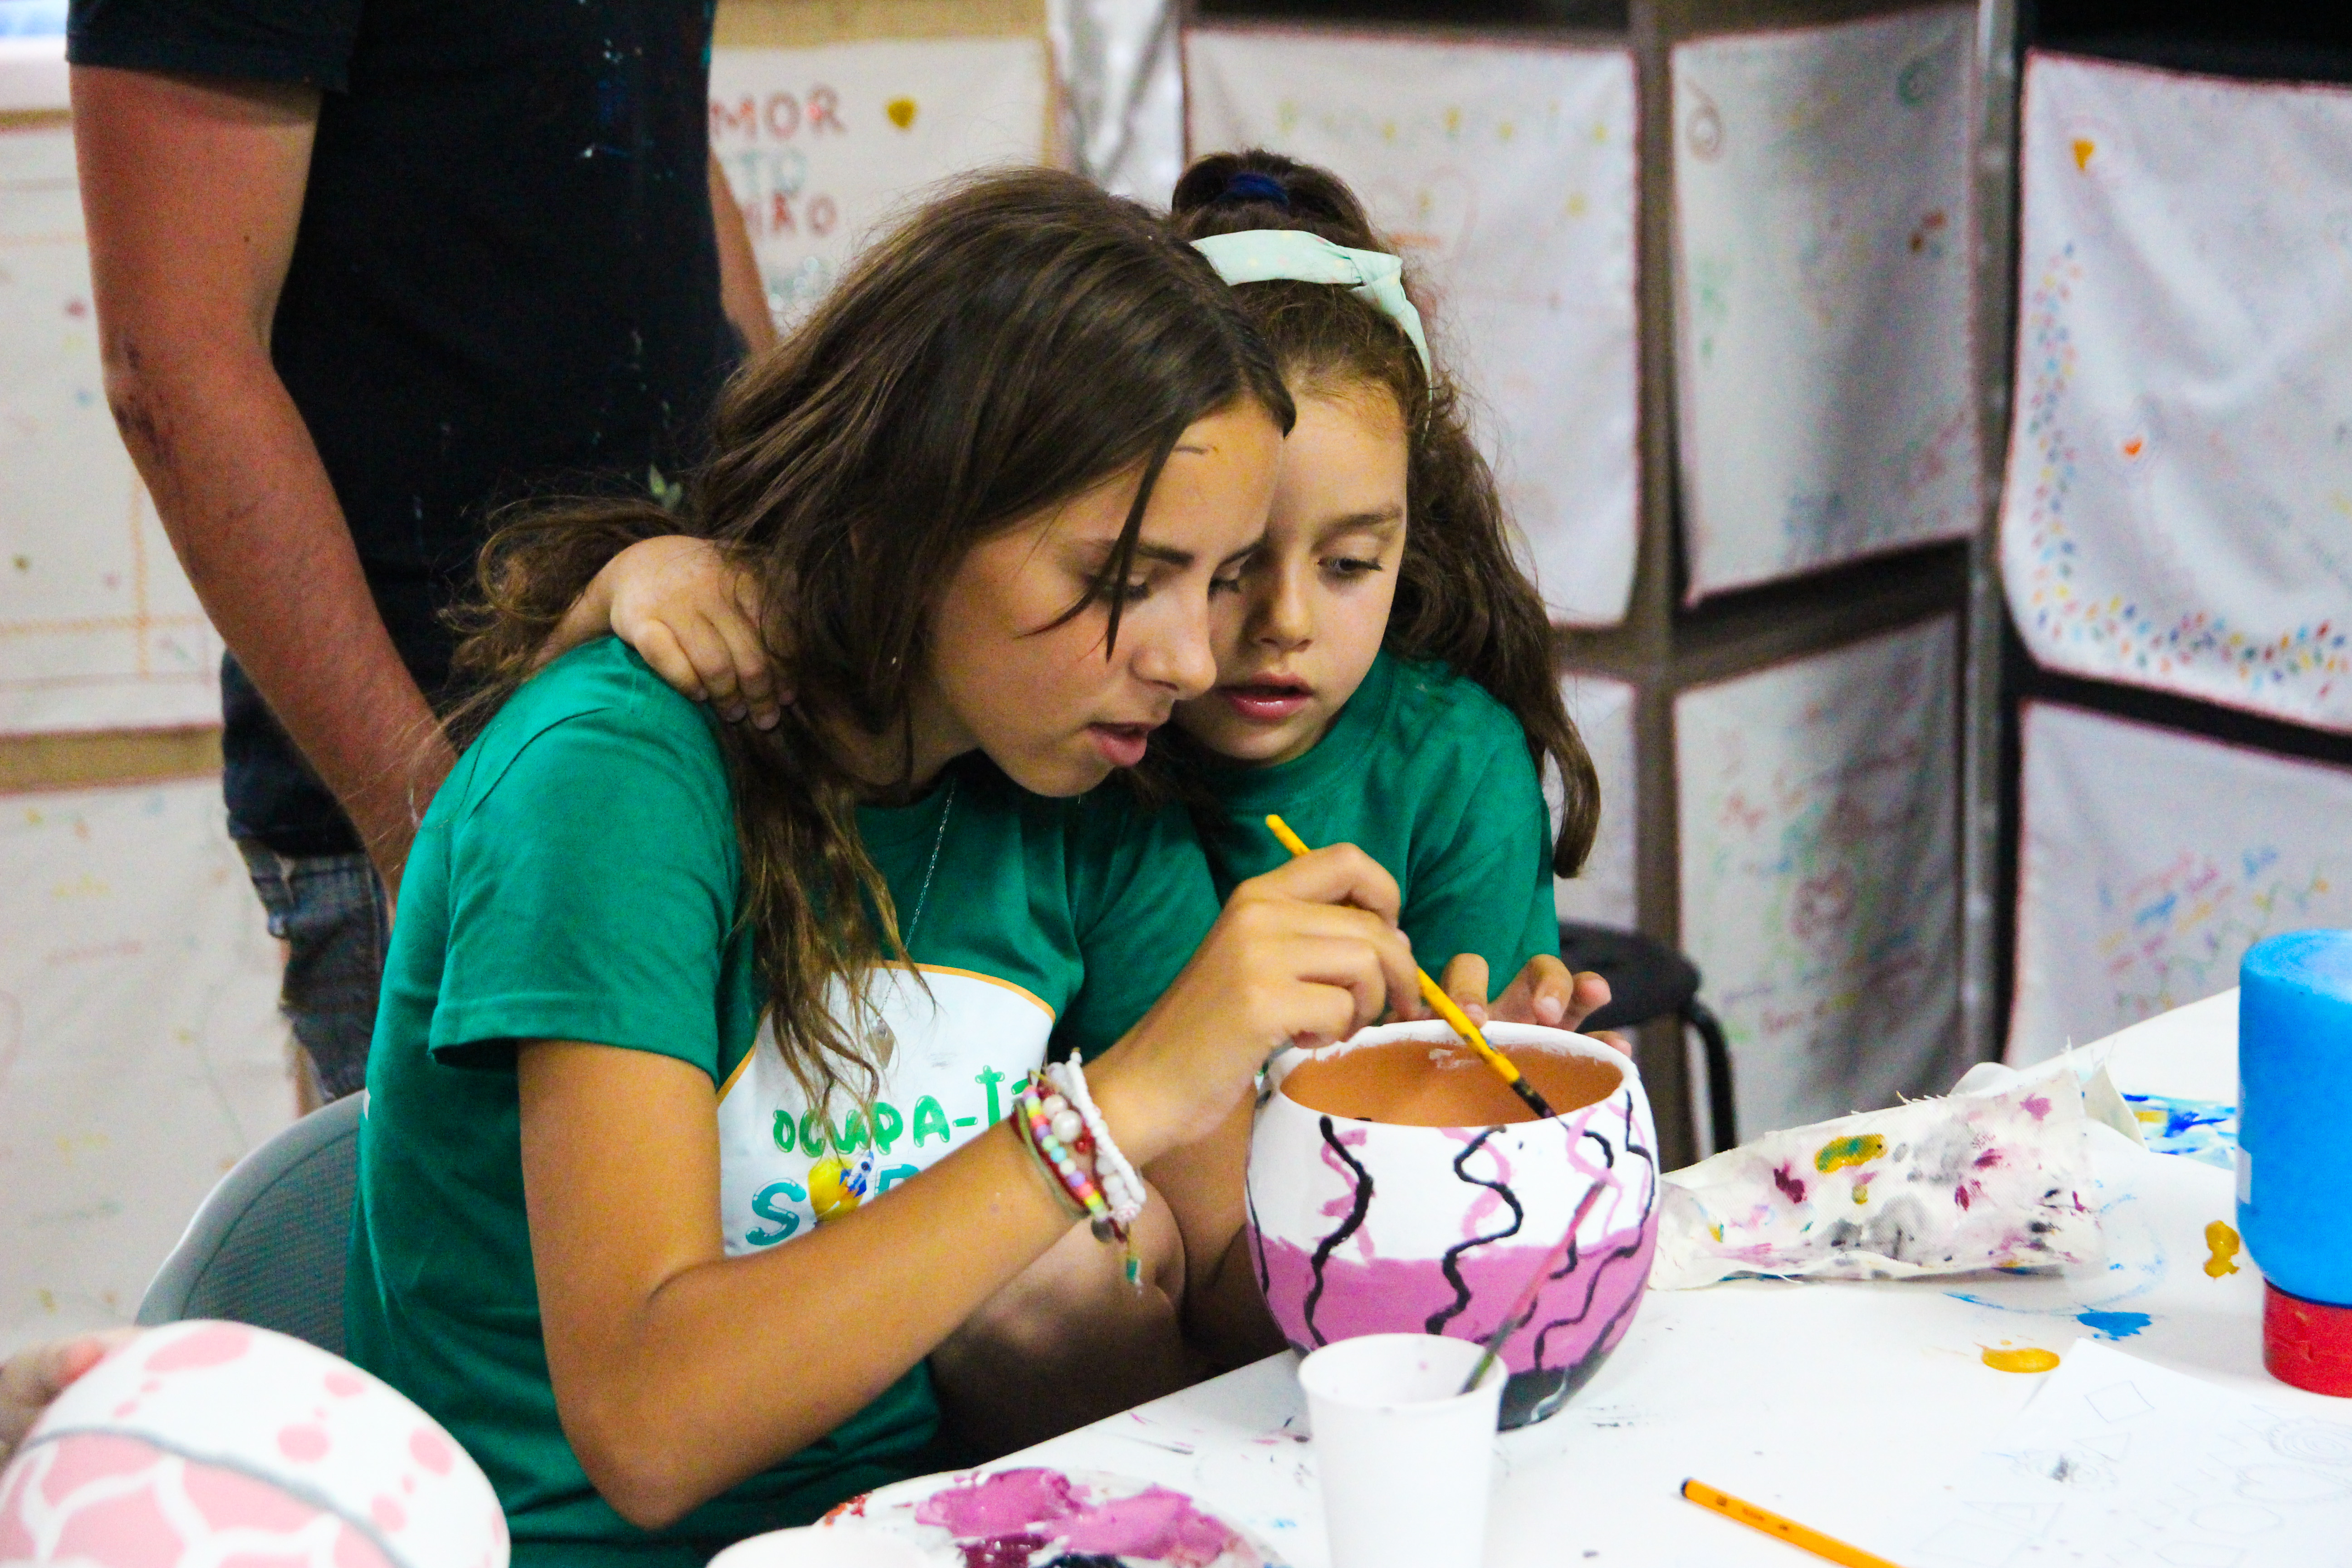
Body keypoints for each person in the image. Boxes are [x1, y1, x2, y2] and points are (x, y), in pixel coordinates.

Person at [347, 170, 1431, 1565]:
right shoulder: (618, 779)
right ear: (907, 522)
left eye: (1213, 580)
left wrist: (1392, 1136)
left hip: (927, 1525)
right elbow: (650, 1429)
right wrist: (1118, 1108)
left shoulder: (1080, 778)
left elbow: (1233, 1302)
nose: (1189, 659)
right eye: (1122, 579)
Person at [66, 0, 775, 1102]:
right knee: (490, 1222)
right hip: (454, 763)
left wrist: (783, 520)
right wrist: (427, 831)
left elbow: (648, 135)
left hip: (696, 722)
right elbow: (172, 363)